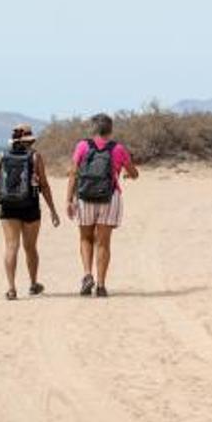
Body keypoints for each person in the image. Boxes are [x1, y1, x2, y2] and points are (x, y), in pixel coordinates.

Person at [65, 113, 139, 297]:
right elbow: (134, 173)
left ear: (93, 129)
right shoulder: (118, 149)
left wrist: (68, 199)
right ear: (111, 129)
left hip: (85, 197)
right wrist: (128, 173)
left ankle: (87, 274)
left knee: (85, 238)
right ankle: (101, 285)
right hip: (110, 197)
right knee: (103, 242)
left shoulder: (82, 146)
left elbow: (73, 173)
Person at [0, 123, 60, 300]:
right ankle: (33, 284)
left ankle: (11, 288)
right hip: (30, 205)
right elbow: (44, 185)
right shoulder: (35, 157)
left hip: (8, 206)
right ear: (29, 140)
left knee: (11, 246)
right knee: (30, 247)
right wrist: (53, 210)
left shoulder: (2, 156)